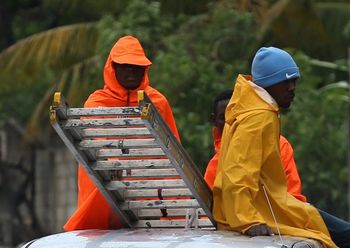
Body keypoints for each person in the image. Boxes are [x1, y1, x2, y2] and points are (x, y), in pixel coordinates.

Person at [212, 47, 350, 248]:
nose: (293, 88)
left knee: (329, 238)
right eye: (287, 81)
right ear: (271, 83)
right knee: (349, 236)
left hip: (263, 205)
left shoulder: (250, 109)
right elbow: (238, 172)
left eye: (294, 81)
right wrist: (249, 222)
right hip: (265, 209)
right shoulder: (258, 117)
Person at [63, 35, 179, 232]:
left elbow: (173, 149)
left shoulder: (158, 102)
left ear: (145, 69)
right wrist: (114, 161)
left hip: (148, 197)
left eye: (137, 66)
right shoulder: (96, 102)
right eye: (125, 65)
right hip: (101, 196)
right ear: (113, 68)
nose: (131, 70)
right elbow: (96, 138)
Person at [204, 89, 304, 201]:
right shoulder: (215, 167)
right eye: (224, 118)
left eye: (236, 117)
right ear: (214, 120)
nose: (230, 124)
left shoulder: (278, 144)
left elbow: (294, 196)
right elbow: (207, 211)